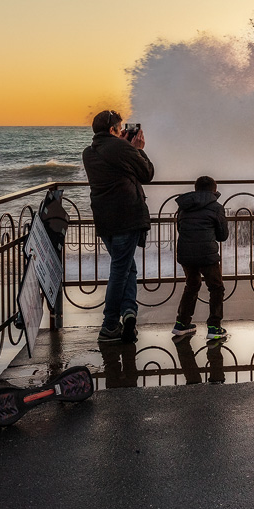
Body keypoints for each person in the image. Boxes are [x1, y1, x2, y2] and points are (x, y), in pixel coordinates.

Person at [82, 110, 154, 344]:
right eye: (120, 127)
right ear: (114, 129)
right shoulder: (123, 149)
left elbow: (114, 161)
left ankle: (129, 312)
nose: (123, 130)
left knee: (126, 267)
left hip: (104, 220)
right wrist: (138, 148)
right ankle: (109, 324)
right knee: (120, 271)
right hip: (127, 217)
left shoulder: (89, 152)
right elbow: (147, 174)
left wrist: (124, 146)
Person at [172, 175, 230, 342]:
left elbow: (180, 228)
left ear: (196, 189)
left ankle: (182, 324)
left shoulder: (184, 206)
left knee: (192, 285)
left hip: (186, 253)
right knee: (216, 287)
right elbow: (223, 236)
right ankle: (214, 326)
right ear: (215, 190)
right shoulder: (216, 207)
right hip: (207, 254)